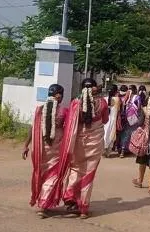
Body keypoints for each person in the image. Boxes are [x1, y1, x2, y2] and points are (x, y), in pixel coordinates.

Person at [62, 78, 109, 218]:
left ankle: (71, 200)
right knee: (89, 173)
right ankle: (83, 207)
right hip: (95, 142)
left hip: (78, 142)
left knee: (76, 169)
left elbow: (70, 123)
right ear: (95, 88)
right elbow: (105, 120)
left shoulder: (76, 103)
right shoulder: (102, 103)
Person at [22, 84, 70, 218]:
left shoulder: (40, 110)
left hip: (40, 149)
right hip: (56, 148)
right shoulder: (64, 112)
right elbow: (69, 130)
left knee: (43, 175)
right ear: (59, 96)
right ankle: (43, 205)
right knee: (53, 176)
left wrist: (26, 145)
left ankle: (44, 202)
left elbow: (32, 128)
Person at [103, 84, 120, 158]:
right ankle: (108, 153)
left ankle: (103, 150)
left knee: (104, 134)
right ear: (116, 91)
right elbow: (119, 110)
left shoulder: (104, 99)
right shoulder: (117, 99)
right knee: (111, 136)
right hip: (113, 120)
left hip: (105, 120)